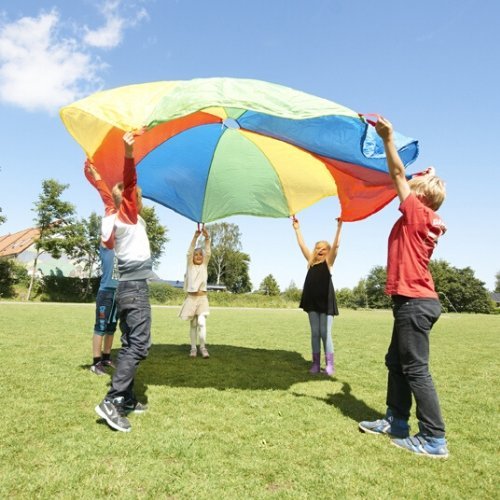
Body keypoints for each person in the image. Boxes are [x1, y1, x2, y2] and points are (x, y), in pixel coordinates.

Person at [358, 116, 449, 459]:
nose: (412, 180)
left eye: (418, 182)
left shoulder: (415, 212)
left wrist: (388, 138)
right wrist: (429, 175)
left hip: (414, 301)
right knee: (395, 362)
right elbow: (409, 180)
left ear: (421, 195)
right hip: (413, 300)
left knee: (414, 368)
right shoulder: (426, 216)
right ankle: (396, 421)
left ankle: (434, 439)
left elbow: (397, 174)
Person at [88, 131, 153, 433]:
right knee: (139, 345)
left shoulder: (125, 219)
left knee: (130, 342)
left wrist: (96, 177)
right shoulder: (127, 217)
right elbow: (127, 184)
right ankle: (113, 400)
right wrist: (128, 152)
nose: (139, 197)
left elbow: (109, 194)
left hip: (129, 288)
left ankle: (126, 398)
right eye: (136, 195)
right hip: (135, 289)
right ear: (131, 200)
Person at [292, 217, 343, 376]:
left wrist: (339, 226)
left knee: (325, 333)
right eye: (317, 248)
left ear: (327, 251)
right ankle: (315, 364)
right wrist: (297, 229)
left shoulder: (329, 262)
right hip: (312, 301)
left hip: (326, 302)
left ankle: (329, 366)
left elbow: (336, 245)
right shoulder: (310, 261)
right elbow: (302, 244)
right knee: (315, 333)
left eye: (323, 248)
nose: (320, 250)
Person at [85, 163, 118, 376]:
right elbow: (107, 199)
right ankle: (95, 362)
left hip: (119, 293)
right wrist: (97, 174)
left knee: (112, 327)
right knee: (101, 326)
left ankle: (106, 358)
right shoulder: (106, 244)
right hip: (106, 292)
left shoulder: (123, 246)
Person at [179, 227, 212, 358]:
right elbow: (189, 252)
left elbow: (208, 252)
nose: (198, 256)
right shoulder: (190, 266)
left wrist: (207, 238)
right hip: (191, 299)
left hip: (202, 299)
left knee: (201, 322)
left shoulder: (204, 266)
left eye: (200, 255)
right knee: (193, 324)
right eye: (196, 254)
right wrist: (195, 237)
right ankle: (193, 348)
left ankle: (203, 348)